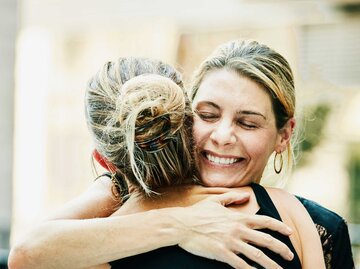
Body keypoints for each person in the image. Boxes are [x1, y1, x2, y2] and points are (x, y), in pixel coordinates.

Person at [8, 40, 353, 269]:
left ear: (284, 135)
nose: (223, 136)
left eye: (248, 123)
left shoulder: (316, 225)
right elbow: (27, 251)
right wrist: (181, 224)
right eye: (207, 115)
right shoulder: (121, 193)